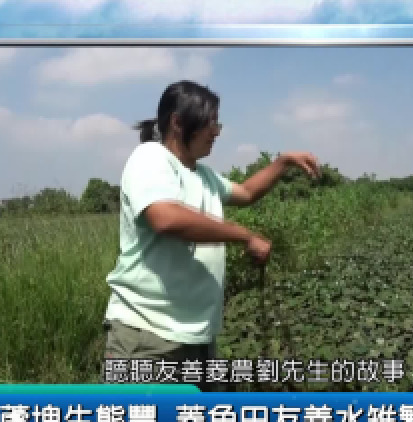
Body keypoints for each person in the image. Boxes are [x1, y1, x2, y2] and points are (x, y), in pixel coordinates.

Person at [103, 80, 319, 389]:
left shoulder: (204, 176)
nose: (216, 132)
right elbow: (164, 217)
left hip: (197, 337)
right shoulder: (150, 158)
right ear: (178, 122)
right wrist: (243, 235)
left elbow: (246, 192)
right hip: (148, 338)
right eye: (210, 123)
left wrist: (283, 163)